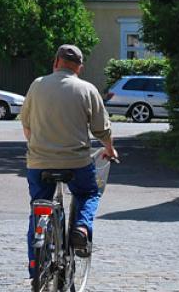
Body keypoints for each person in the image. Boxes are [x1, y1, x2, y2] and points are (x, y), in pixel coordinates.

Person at [20, 44, 118, 278]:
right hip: (76, 162)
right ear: (79, 68)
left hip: (39, 163)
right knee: (88, 193)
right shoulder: (87, 89)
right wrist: (110, 150)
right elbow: (101, 130)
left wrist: (39, 147)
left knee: (38, 207)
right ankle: (82, 227)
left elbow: (26, 126)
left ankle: (36, 270)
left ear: (56, 62)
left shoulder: (37, 85)